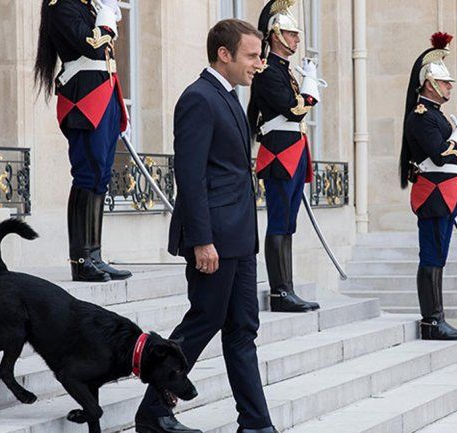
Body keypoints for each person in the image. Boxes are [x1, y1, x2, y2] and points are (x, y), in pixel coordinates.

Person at [134, 19, 278, 433]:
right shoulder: (199, 98)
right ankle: (153, 412)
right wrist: (201, 241)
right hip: (214, 238)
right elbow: (191, 175)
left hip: (239, 238)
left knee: (242, 331)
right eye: (252, 55)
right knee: (201, 324)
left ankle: (256, 423)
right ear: (224, 54)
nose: (259, 63)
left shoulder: (229, 95)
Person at [34, 0, 131, 282]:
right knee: (87, 175)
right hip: (84, 100)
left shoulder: (87, 6)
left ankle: (95, 255)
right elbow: (93, 45)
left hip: (104, 95)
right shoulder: (63, 6)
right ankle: (80, 259)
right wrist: (104, 17)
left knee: (101, 177)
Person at [398, 32, 457, 340]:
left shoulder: (436, 115)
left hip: (446, 194)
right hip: (434, 194)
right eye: (444, 83)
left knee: (439, 256)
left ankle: (437, 316)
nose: (449, 87)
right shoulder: (421, 116)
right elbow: (442, 156)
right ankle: (431, 319)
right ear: (429, 83)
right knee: (431, 255)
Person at [247, 0, 320, 313]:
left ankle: (286, 287)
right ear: (275, 35)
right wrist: (310, 90)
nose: (296, 40)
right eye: (291, 34)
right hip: (280, 154)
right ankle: (279, 291)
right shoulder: (267, 73)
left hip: (293, 150)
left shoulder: (283, 71)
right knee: (278, 223)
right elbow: (292, 108)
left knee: (288, 224)